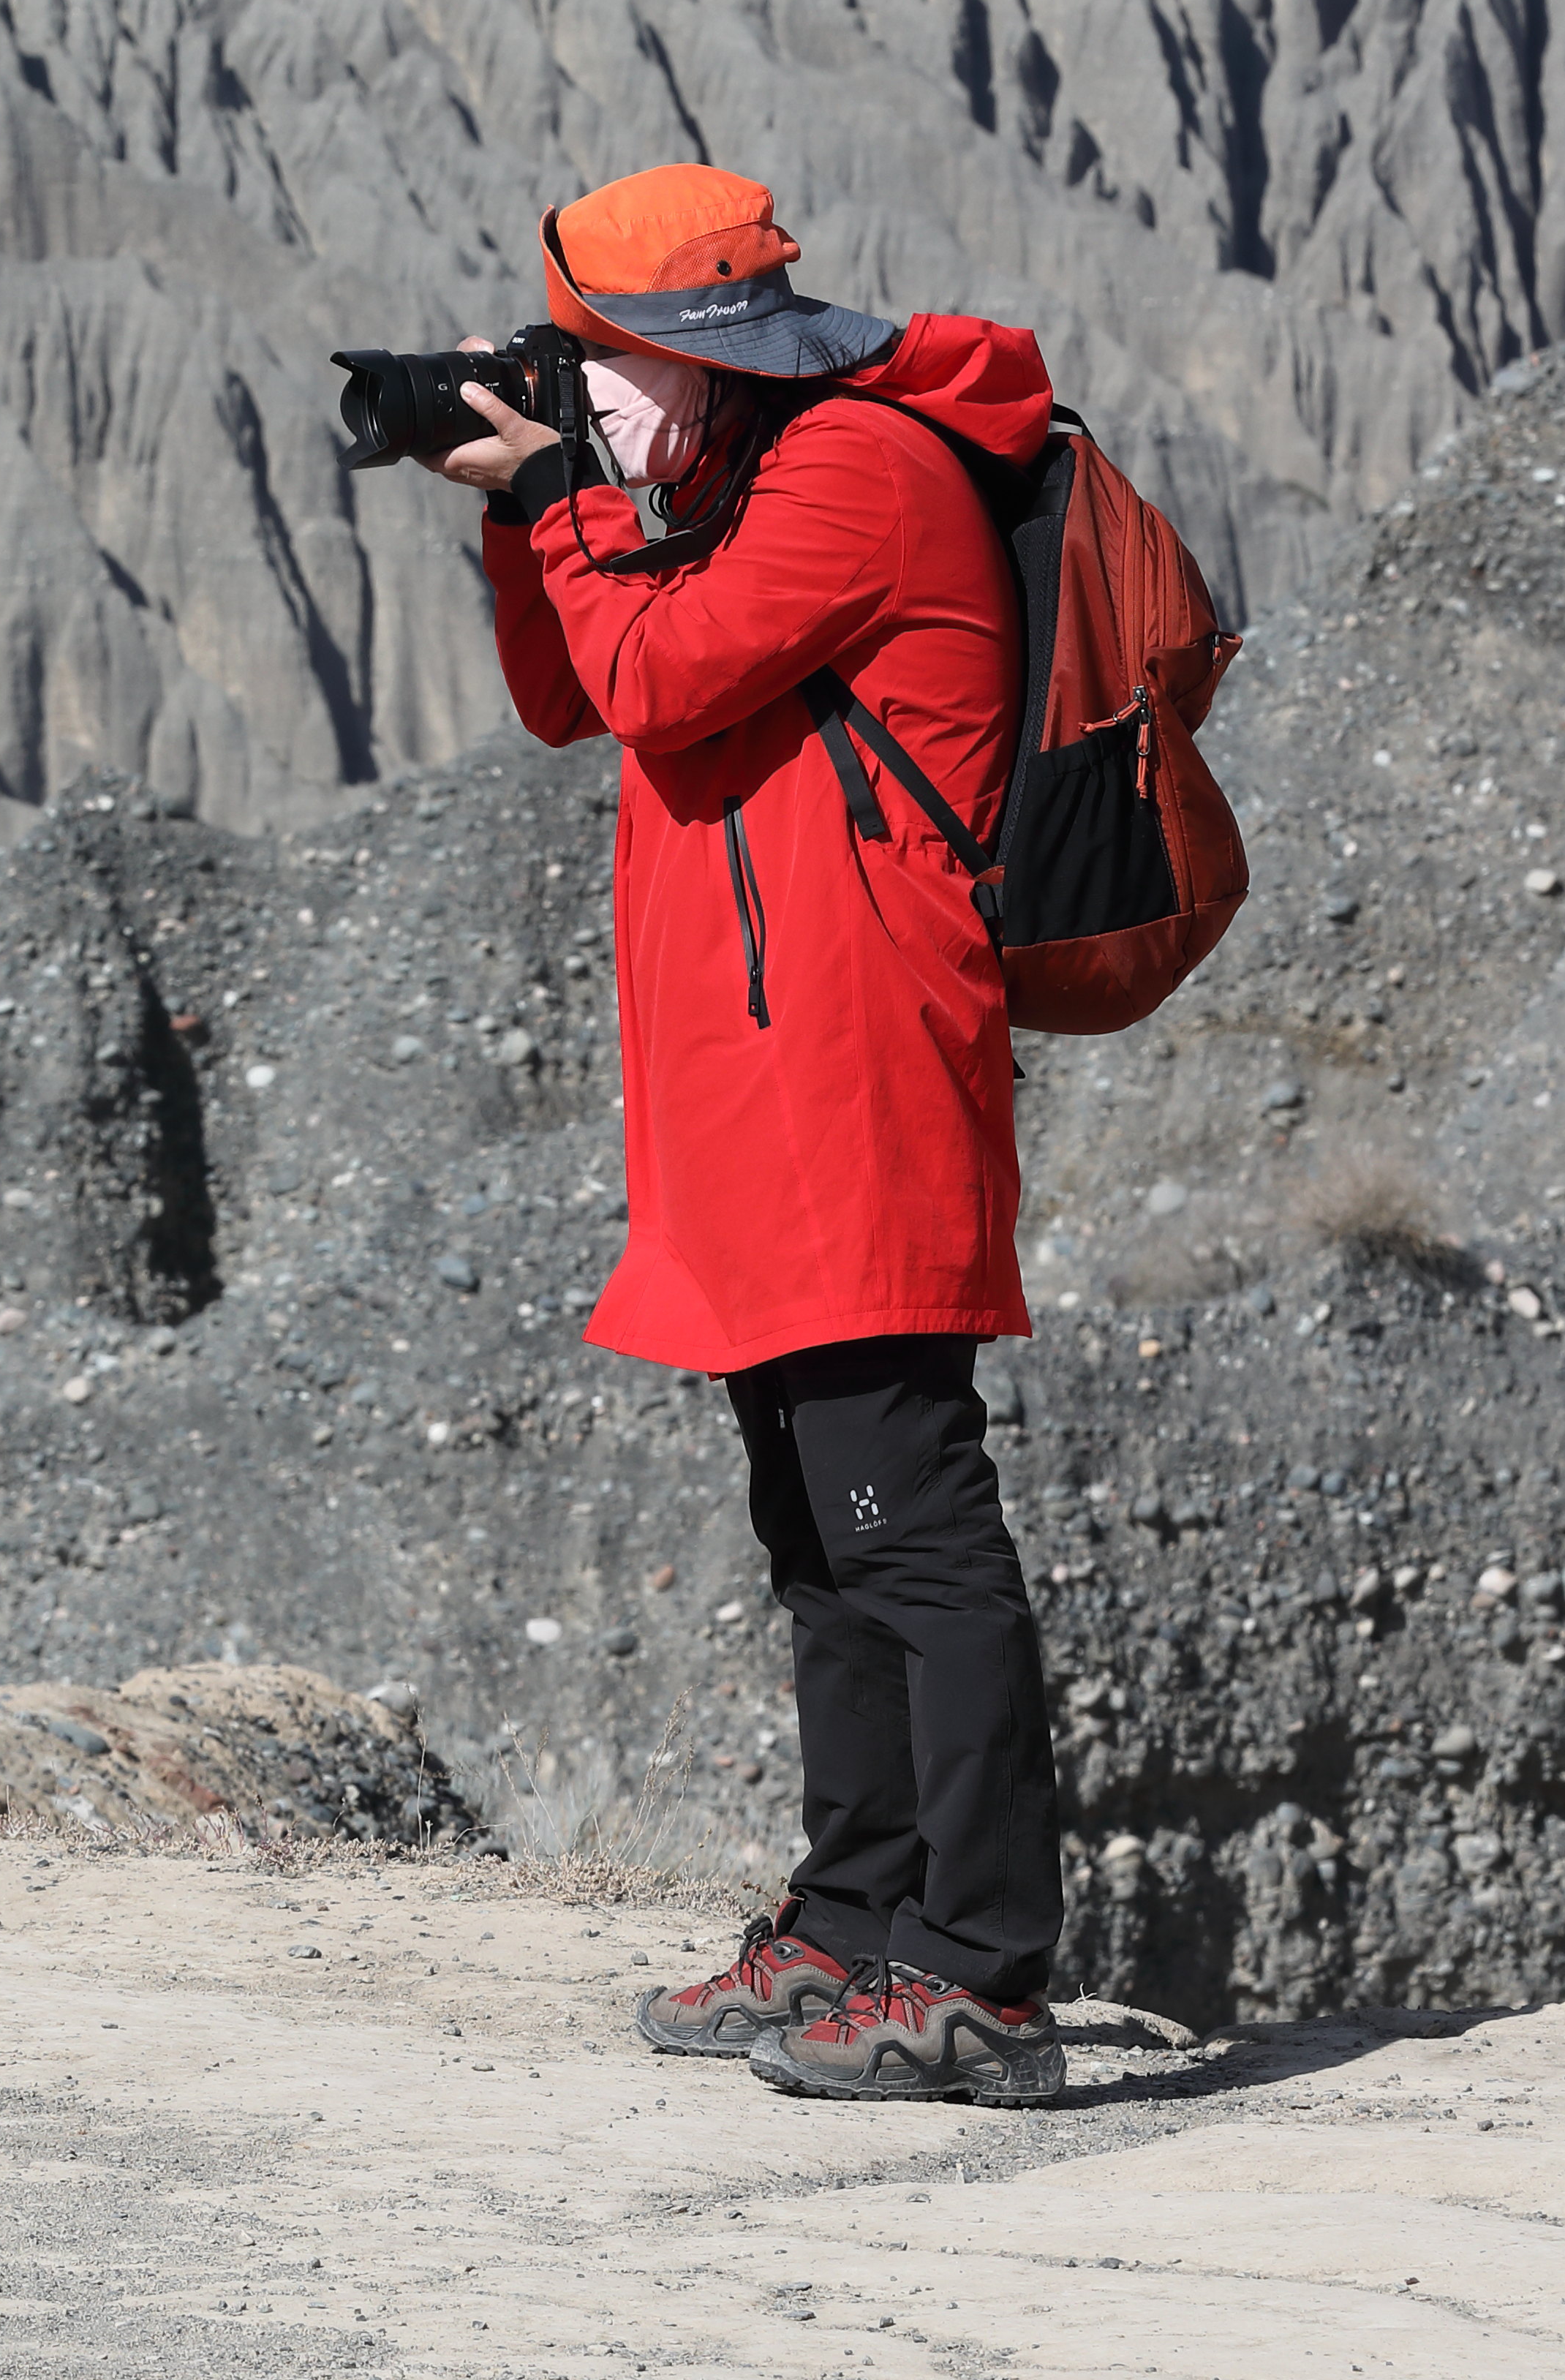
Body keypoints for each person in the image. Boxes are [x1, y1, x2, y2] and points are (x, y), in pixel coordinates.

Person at [429, 162, 1070, 2104]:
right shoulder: (742, 480)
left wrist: (567, 495)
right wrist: (529, 515)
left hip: (855, 1078)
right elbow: (574, 696)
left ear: (705, 352)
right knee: (820, 1540)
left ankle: (981, 1979)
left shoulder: (857, 471)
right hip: (761, 1087)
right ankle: (858, 1922)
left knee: (910, 1532)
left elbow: (656, 669)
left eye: (602, 360)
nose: (583, 392)